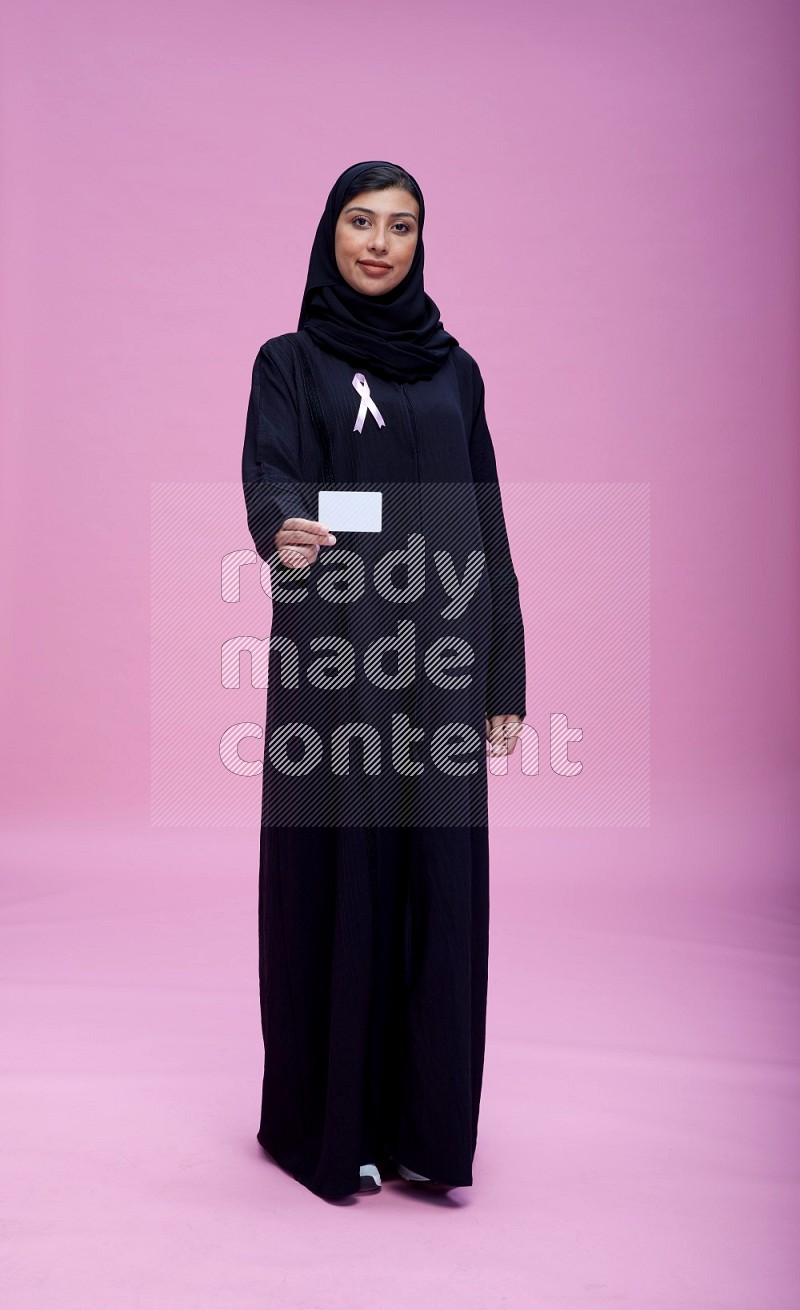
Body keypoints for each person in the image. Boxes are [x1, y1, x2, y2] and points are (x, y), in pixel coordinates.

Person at [242, 160, 526, 1201]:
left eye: (400, 226)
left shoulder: (457, 373)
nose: (378, 242)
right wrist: (284, 522)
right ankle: (331, 1122)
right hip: (337, 662)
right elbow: (270, 470)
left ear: (419, 242)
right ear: (329, 234)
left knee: (438, 889)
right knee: (341, 872)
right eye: (359, 222)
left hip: (442, 668)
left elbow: (485, 522)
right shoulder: (290, 360)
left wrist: (502, 670)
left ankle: (424, 1129)